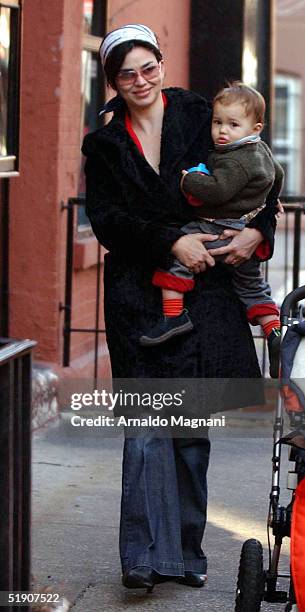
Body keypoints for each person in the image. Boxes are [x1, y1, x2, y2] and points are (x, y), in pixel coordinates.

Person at [82, 24, 279, 592]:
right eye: (127, 72)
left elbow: (259, 177)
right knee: (145, 431)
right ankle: (141, 558)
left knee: (192, 436)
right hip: (140, 299)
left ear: (162, 66)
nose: (141, 80)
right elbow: (108, 220)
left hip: (209, 299)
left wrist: (256, 235)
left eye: (150, 67)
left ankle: (186, 555)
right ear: (113, 81)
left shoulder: (203, 115)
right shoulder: (105, 143)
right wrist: (172, 241)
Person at [139, 82, 283, 377]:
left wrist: (188, 180)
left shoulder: (236, 160)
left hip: (216, 228)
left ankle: (173, 316)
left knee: (177, 261)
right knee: (251, 286)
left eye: (232, 124)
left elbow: (218, 190)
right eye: (217, 122)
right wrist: (268, 199)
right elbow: (278, 174)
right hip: (241, 229)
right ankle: (273, 331)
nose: (222, 131)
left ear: (255, 128)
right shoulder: (260, 150)